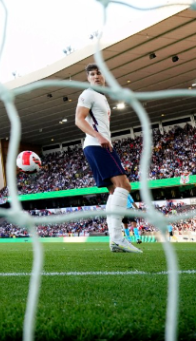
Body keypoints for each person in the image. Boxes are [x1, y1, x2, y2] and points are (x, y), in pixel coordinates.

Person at [75, 63, 141, 254]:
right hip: (97, 145)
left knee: (114, 191)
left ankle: (115, 240)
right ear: (88, 79)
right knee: (124, 186)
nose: (96, 77)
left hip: (100, 145)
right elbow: (79, 119)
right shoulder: (88, 94)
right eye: (92, 74)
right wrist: (99, 136)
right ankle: (118, 238)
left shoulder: (102, 97)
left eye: (99, 73)